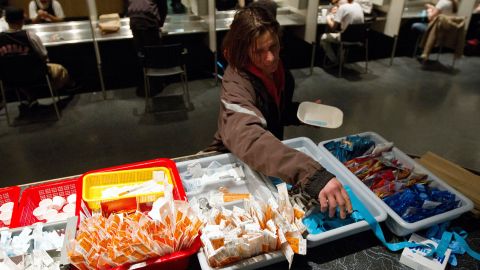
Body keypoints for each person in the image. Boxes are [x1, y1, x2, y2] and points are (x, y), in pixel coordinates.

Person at [206, 5, 353, 219]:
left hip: (267, 157)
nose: (270, 58)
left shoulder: (274, 69)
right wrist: (312, 175)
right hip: (233, 160)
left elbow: (271, 111)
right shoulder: (235, 81)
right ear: (243, 50)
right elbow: (247, 137)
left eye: (273, 47)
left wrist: (297, 113)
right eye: (259, 51)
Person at [0, 7, 73, 112]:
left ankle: (31, 96)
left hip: (9, 78)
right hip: (38, 75)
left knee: (19, 73)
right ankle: (70, 88)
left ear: (6, 20)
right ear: (23, 19)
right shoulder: (30, 36)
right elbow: (44, 55)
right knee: (60, 68)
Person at [320, 0, 364, 65]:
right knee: (340, 32)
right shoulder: (357, 5)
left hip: (346, 38)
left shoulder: (342, 7)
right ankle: (341, 59)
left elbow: (333, 28)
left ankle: (335, 61)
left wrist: (328, 18)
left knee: (323, 37)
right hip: (359, 38)